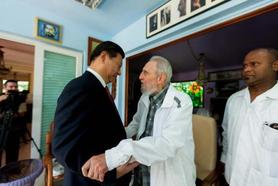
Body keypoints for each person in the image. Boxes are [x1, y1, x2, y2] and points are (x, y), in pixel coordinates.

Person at [82, 56, 196, 186]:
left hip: (169, 177)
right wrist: (112, 139)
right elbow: (135, 124)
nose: (140, 77)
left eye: (145, 72)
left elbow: (168, 144)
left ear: (161, 78)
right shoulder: (145, 98)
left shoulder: (181, 102)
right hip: (141, 171)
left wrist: (113, 156)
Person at [52, 41, 137, 186]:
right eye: (118, 65)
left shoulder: (97, 88)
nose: (120, 72)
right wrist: (110, 174)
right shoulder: (81, 88)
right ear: (103, 56)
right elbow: (63, 147)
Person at [220, 48, 278, 185]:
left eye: (254, 64)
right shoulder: (234, 100)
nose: (246, 70)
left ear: (275, 66)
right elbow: (227, 134)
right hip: (232, 179)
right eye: (244, 66)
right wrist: (223, 162)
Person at [0, 80, 26, 166]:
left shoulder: (20, 99)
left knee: (13, 153)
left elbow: (22, 113)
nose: (13, 88)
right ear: (5, 88)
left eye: (15, 87)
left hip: (14, 129)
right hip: (1, 128)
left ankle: (12, 171)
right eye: (11, 87)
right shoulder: (1, 98)